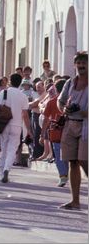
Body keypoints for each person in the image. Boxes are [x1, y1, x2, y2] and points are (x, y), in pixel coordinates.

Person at [57, 51, 88, 210]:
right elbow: (60, 101)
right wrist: (64, 109)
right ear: (75, 64)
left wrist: (85, 113)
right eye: (79, 63)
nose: (81, 66)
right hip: (70, 124)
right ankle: (75, 201)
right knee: (73, 162)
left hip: (86, 126)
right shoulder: (70, 83)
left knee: (84, 160)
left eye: (84, 62)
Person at [0, 73, 33, 183]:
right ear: (20, 82)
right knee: (12, 149)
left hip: (4, 124)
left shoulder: (4, 92)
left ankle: (2, 172)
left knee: (3, 149)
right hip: (17, 125)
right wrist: (28, 130)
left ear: (10, 81)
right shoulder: (23, 96)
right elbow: (25, 115)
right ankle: (7, 169)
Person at [41, 79, 68, 187]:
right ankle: (68, 173)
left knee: (58, 155)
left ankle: (63, 176)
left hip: (56, 131)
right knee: (68, 155)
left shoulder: (52, 102)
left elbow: (46, 119)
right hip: (70, 131)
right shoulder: (70, 101)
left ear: (56, 89)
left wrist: (42, 134)